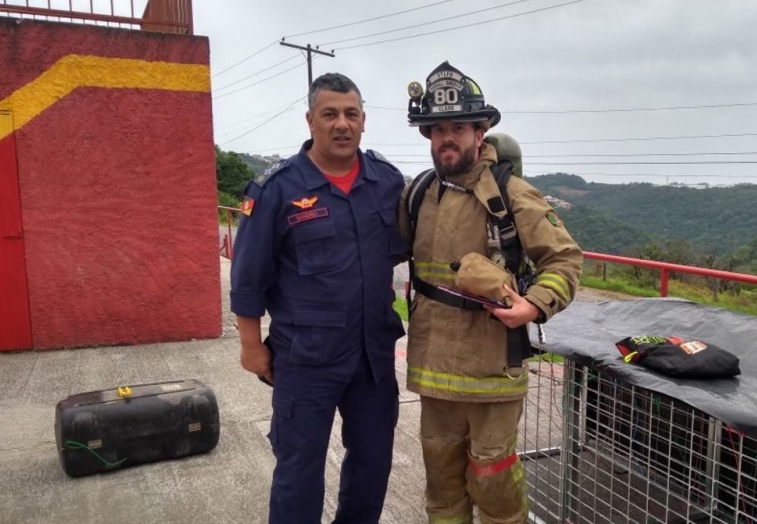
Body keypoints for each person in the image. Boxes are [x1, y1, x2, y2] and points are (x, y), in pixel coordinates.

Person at [398, 61, 583, 524]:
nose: (447, 137)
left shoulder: (512, 195)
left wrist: (533, 306)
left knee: (493, 479)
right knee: (441, 483)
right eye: (437, 127)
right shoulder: (419, 195)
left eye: (458, 126)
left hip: (493, 371)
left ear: (480, 132)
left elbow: (564, 260)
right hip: (435, 369)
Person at [230, 72, 407, 524]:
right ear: (310, 120)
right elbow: (248, 275)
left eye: (351, 114)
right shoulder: (278, 189)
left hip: (373, 356)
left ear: (364, 121)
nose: (341, 124)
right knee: (299, 471)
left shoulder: (386, 182)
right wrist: (251, 346)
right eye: (330, 114)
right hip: (306, 358)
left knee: (372, 464)